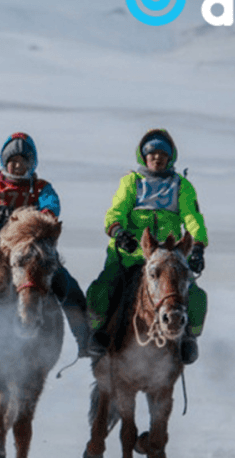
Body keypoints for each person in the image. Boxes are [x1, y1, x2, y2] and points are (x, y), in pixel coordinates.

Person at [0, 132, 89, 370]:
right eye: (13, 160)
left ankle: (84, 338)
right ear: (4, 162)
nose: (18, 165)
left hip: (36, 247)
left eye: (23, 161)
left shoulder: (41, 188)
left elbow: (52, 207)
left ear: (32, 163)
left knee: (66, 284)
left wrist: (33, 220)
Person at [85, 128, 208, 364]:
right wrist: (119, 232)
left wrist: (198, 245)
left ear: (170, 157)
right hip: (130, 254)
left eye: (163, 154)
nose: (157, 158)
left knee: (196, 296)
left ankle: (189, 337)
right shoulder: (131, 182)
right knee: (101, 290)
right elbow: (116, 212)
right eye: (152, 154)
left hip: (169, 258)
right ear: (143, 156)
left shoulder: (181, 185)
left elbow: (192, 217)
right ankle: (98, 333)